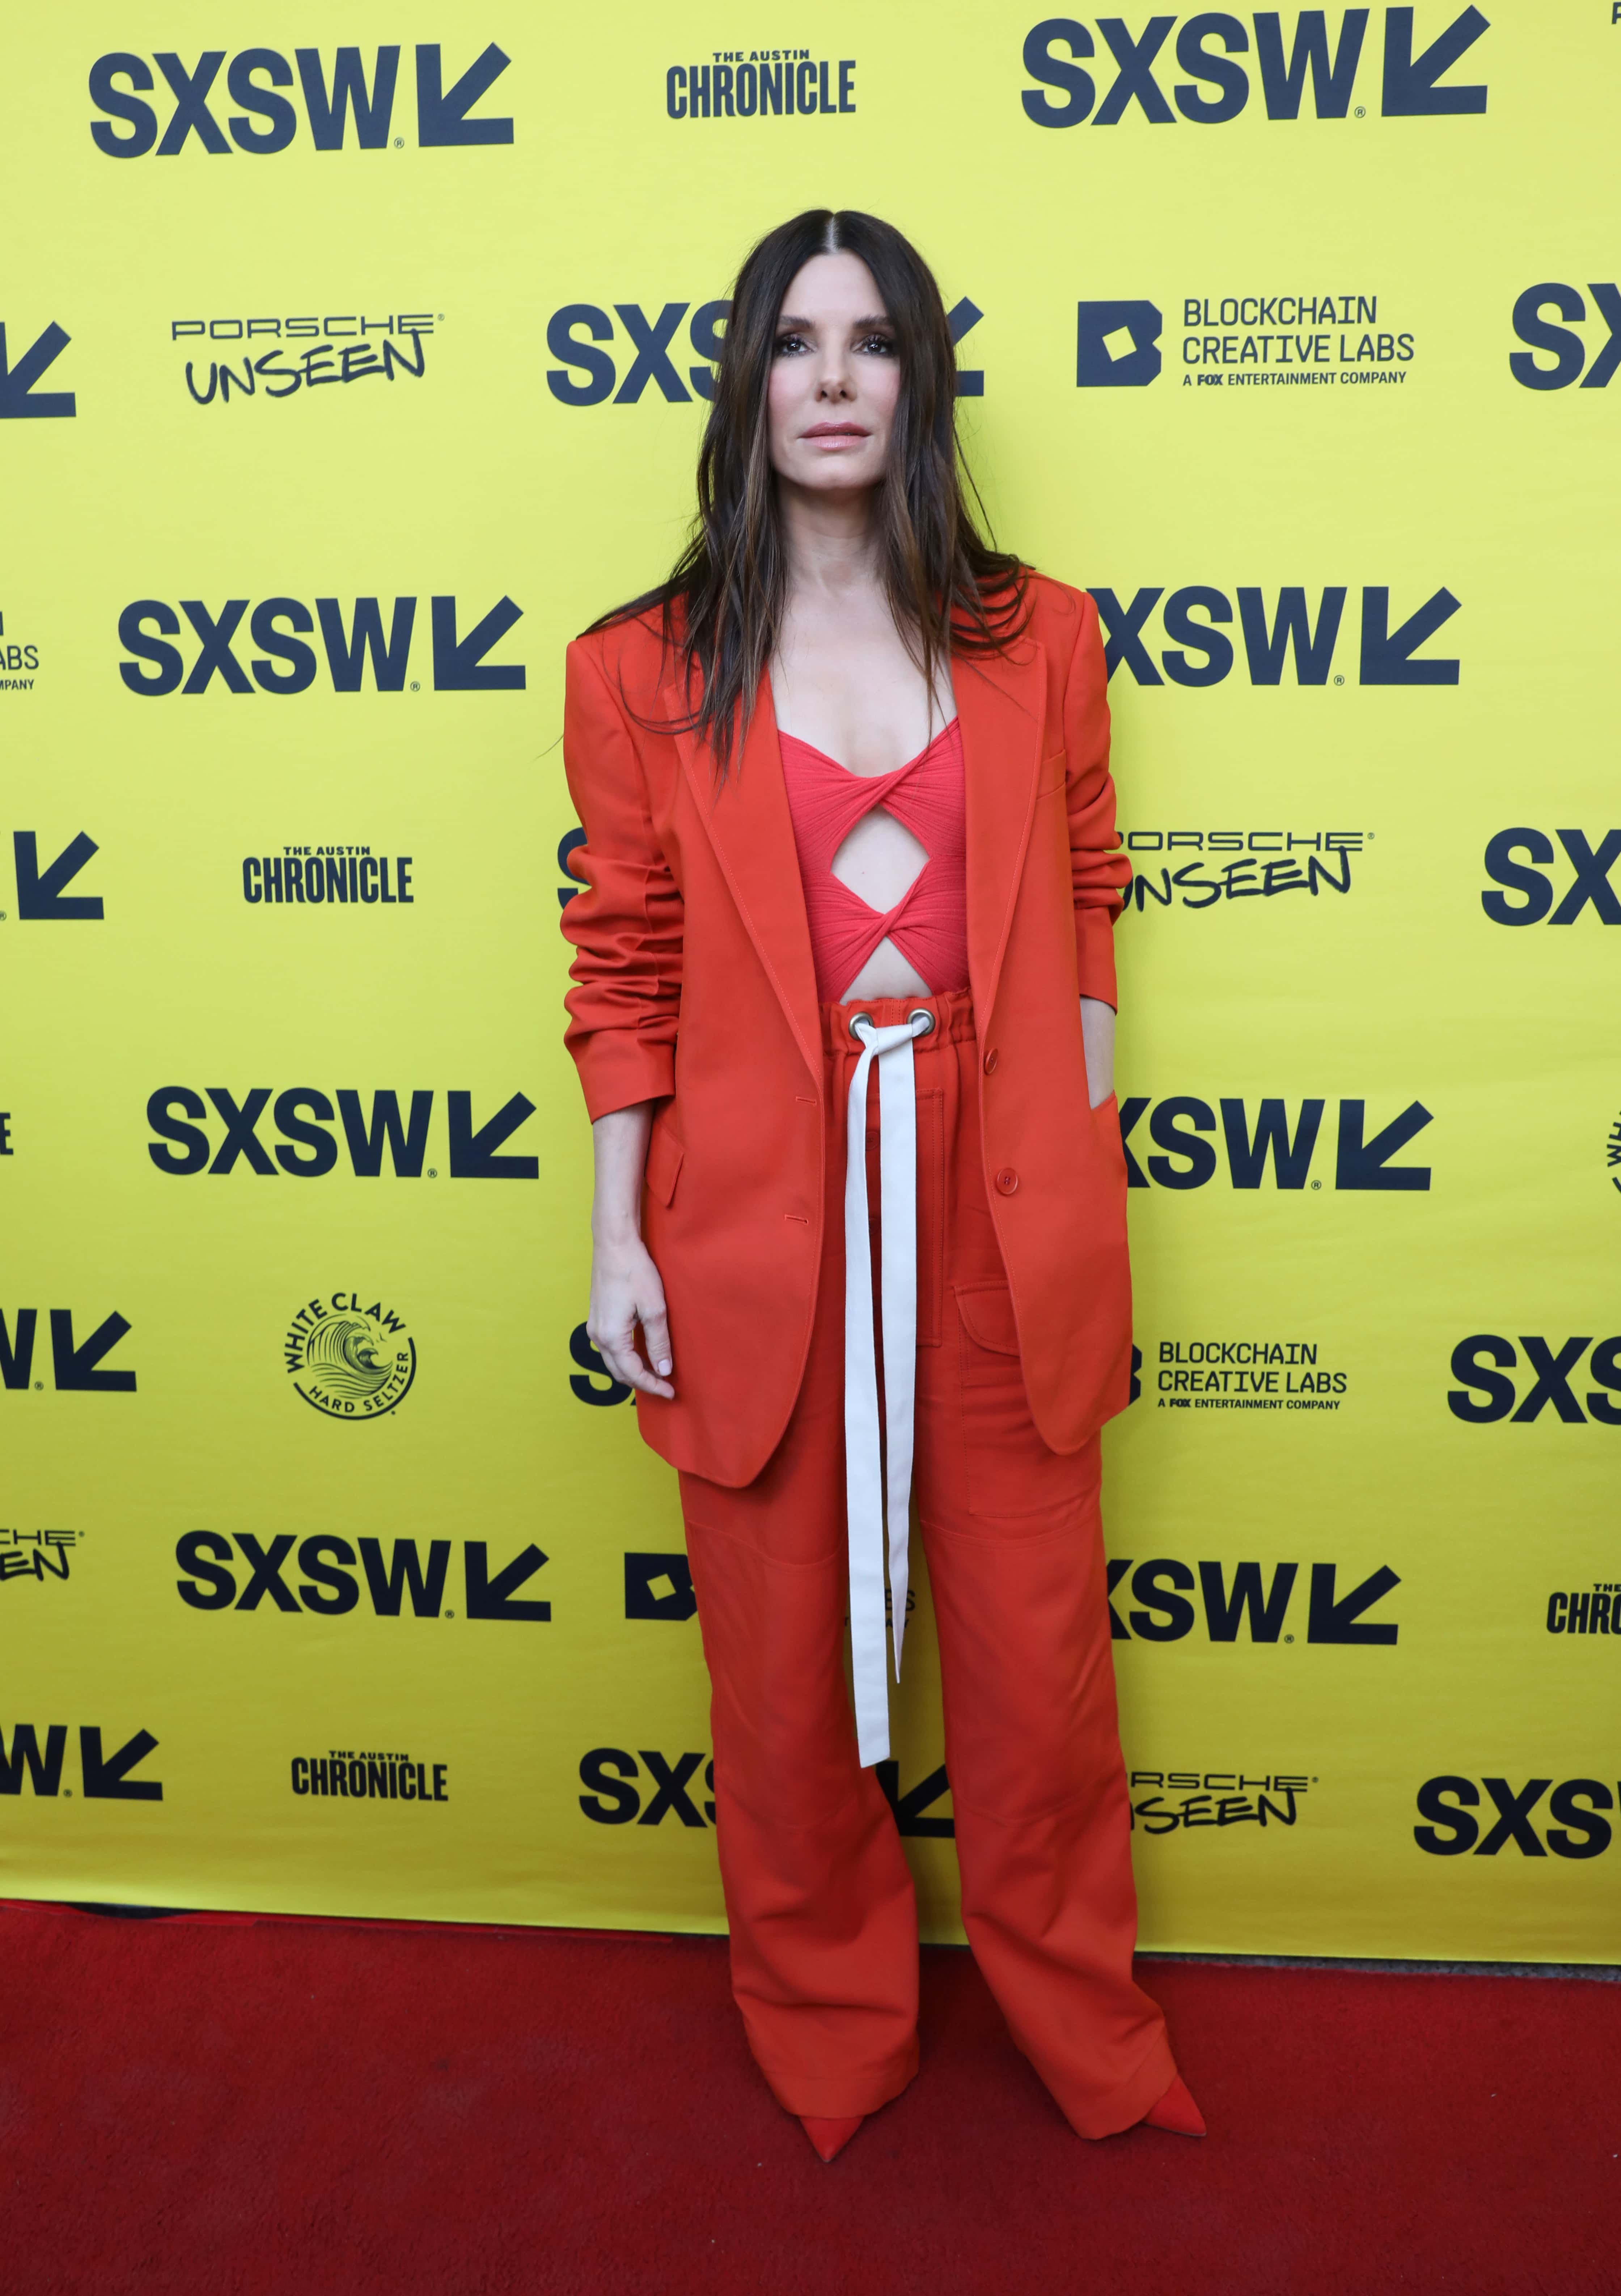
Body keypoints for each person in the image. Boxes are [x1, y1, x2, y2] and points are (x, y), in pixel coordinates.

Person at [559, 208, 1203, 2161]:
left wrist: (1078, 1162)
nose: (831, 381)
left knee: (1034, 1668)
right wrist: (616, 1241)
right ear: (744, 381)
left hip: (1002, 1212)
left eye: (871, 343)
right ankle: (832, 2027)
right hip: (758, 1224)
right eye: (792, 342)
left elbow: (1090, 898)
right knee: (776, 1684)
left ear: (919, 382)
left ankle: (1085, 2023)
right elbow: (622, 973)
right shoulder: (639, 670)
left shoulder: (1044, 634)